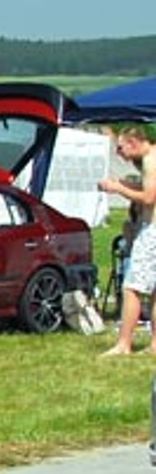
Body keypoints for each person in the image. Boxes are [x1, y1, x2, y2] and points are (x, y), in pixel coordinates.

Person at [98, 124, 156, 355]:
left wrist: (119, 190)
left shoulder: (151, 161)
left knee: (132, 286)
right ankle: (154, 345)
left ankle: (124, 343)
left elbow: (149, 197)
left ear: (133, 142)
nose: (119, 153)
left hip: (152, 231)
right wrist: (120, 184)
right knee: (153, 290)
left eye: (121, 148)